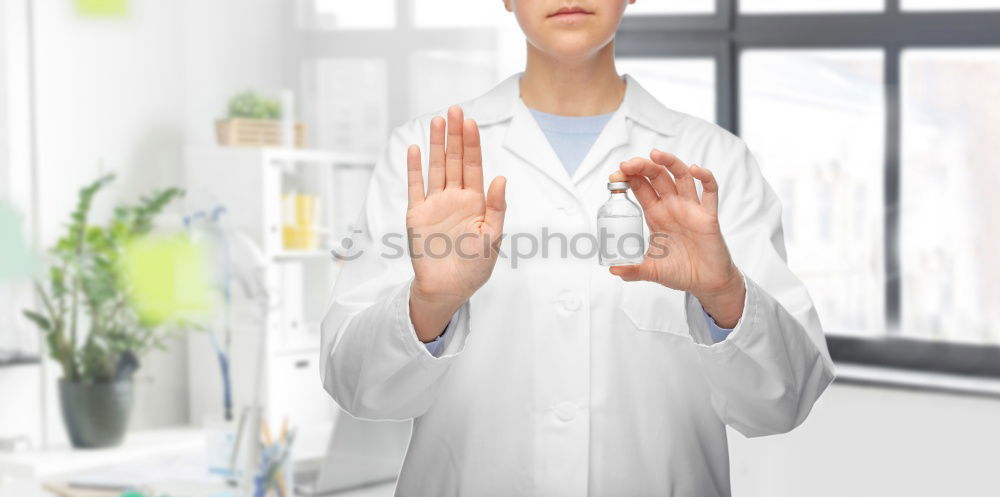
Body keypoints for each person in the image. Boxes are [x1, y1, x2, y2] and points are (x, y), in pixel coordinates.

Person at [320, 0, 835, 495]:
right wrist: (429, 304)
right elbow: (359, 387)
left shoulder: (712, 161)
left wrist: (724, 294)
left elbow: (781, 403)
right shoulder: (426, 155)